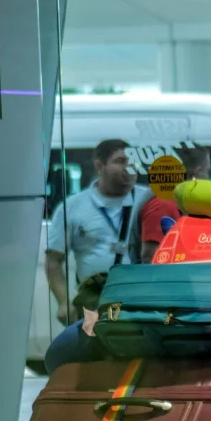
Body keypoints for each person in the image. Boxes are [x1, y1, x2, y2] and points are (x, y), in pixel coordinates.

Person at [46, 139, 149, 326]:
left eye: (134, 162)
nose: (130, 167)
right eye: (121, 161)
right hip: (93, 305)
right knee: (92, 354)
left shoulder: (150, 201)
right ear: (99, 166)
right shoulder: (73, 207)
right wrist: (63, 303)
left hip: (141, 304)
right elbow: (53, 261)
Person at [131, 146, 211, 265]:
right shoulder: (164, 203)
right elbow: (151, 256)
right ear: (198, 172)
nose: (208, 178)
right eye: (207, 172)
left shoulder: (175, 199)